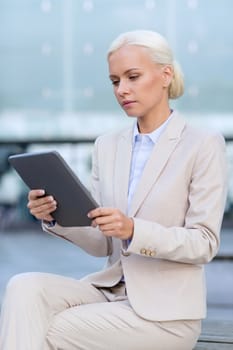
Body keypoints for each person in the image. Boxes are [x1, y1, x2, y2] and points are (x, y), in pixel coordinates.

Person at [0, 30, 227, 350]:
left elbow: (203, 243)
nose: (122, 89)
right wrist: (56, 217)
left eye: (133, 77)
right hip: (109, 291)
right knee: (23, 287)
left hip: (166, 315)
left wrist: (134, 230)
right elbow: (102, 244)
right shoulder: (106, 145)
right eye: (115, 80)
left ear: (166, 75)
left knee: (45, 327)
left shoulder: (202, 144)